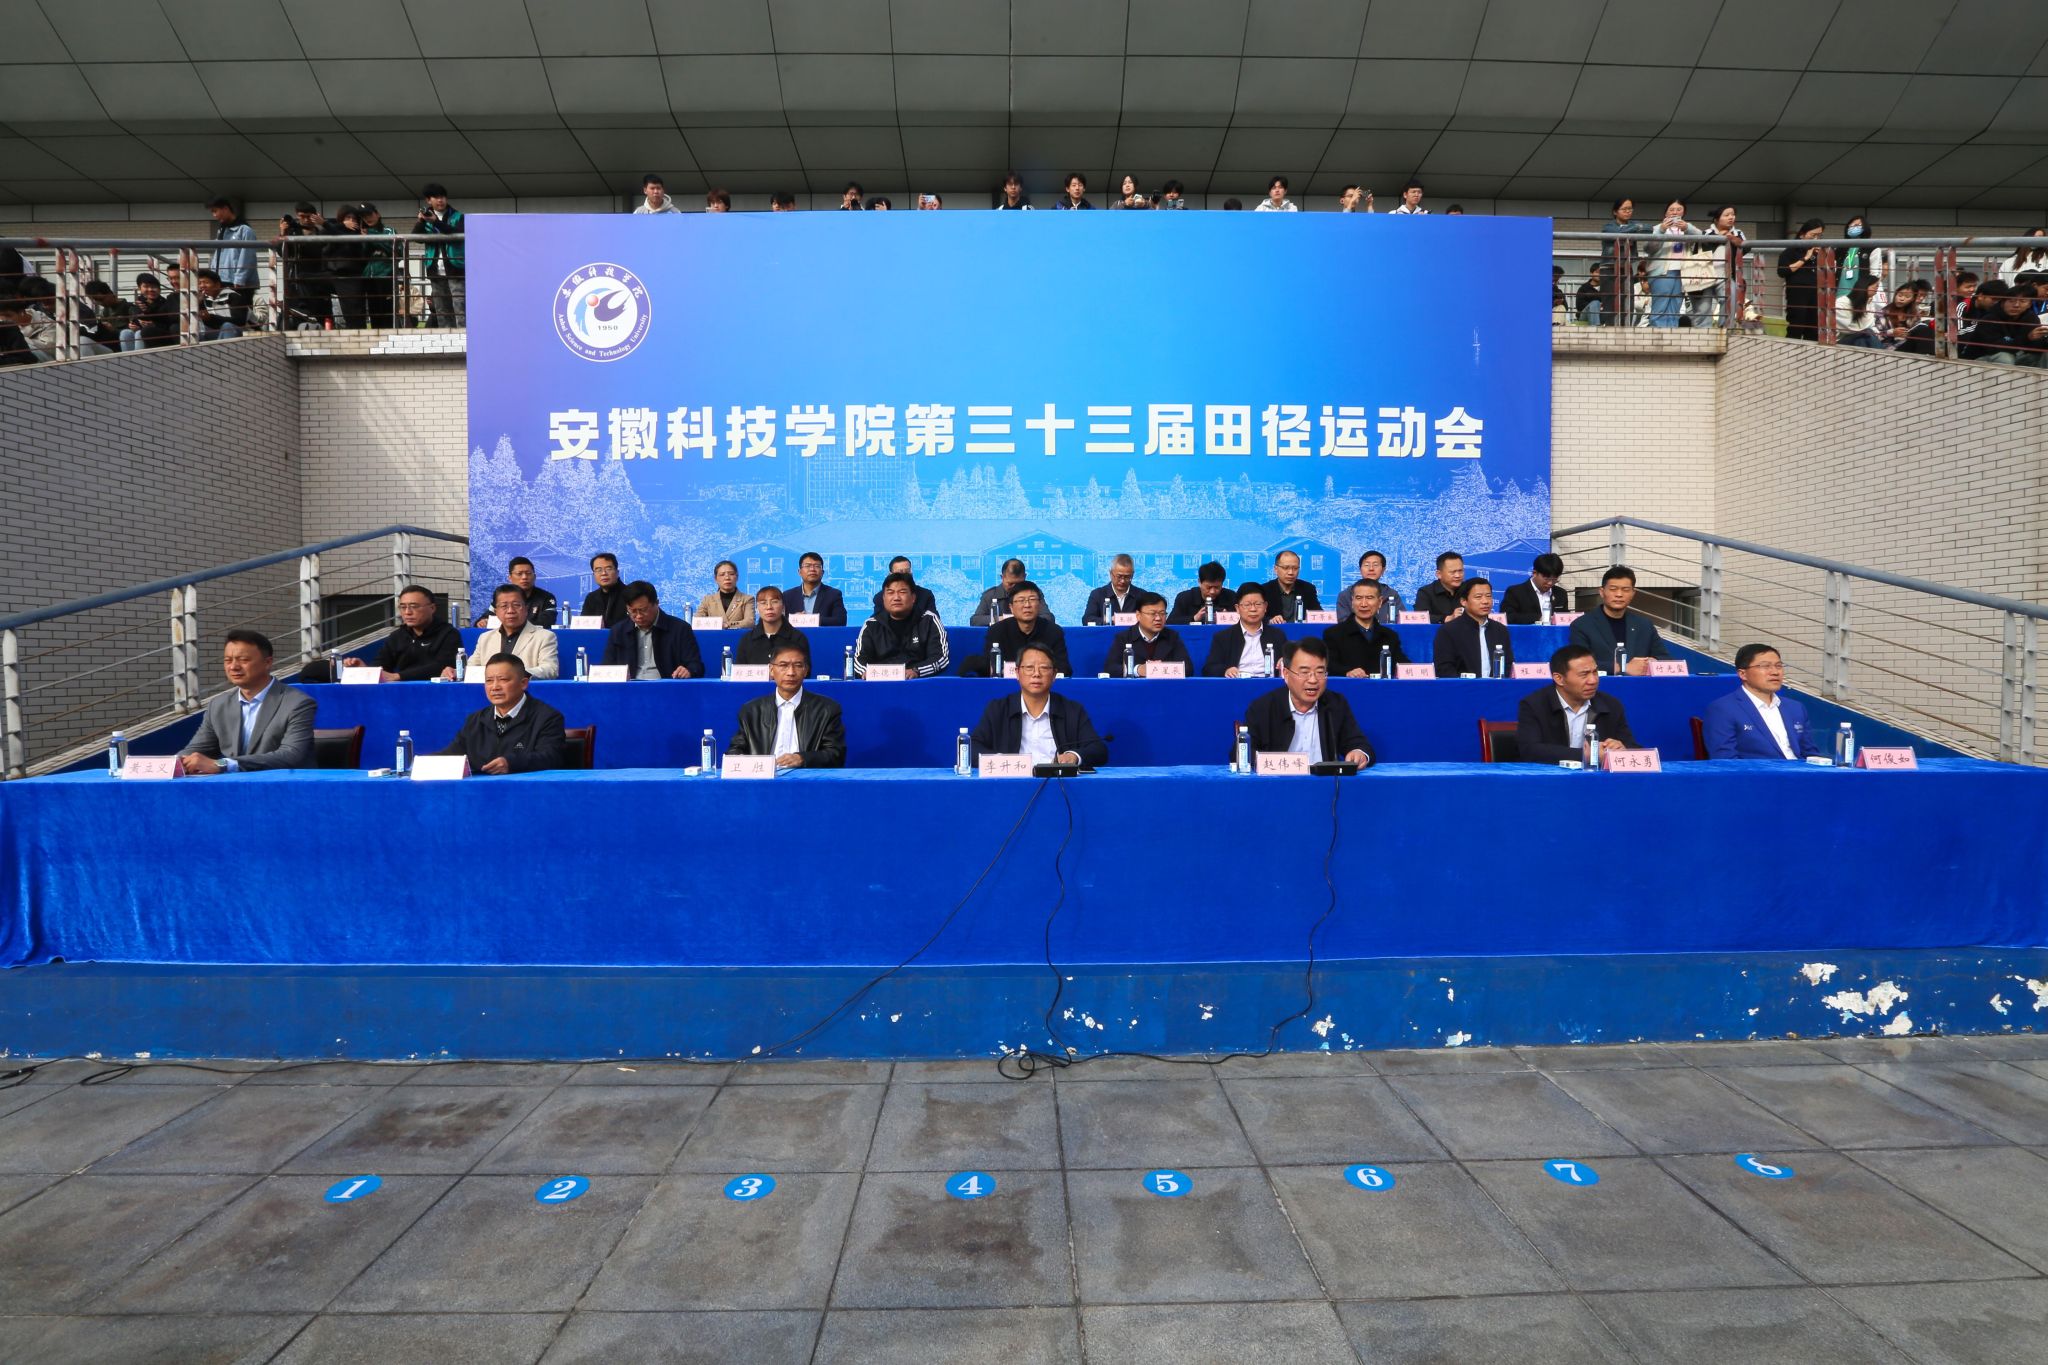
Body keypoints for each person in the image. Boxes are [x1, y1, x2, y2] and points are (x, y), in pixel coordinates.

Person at [177, 629, 316, 773]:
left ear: (268, 662)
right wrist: (174, 763)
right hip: (232, 784)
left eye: (243, 660)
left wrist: (223, 764)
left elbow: (291, 755)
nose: (233, 667)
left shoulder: (297, 703)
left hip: (283, 783)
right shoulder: (218, 705)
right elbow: (197, 749)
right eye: (228, 660)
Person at [969, 640, 1107, 766]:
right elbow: (973, 747)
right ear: (1017, 673)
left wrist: (1074, 756)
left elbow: (1098, 749)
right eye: (1029, 667)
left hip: (1057, 780)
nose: (1036, 674)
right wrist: (1002, 761)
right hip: (1014, 781)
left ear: (1054, 675)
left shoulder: (1072, 710)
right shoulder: (998, 709)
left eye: (1044, 668)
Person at [1241, 639, 1373, 767]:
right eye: (1304, 672)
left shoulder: (1335, 704)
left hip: (1324, 780)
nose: (1313, 680)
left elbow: (1358, 743)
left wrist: (1359, 752)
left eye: (1320, 672)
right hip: (1279, 779)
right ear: (1286, 674)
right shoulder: (1262, 708)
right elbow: (1243, 752)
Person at [434, 654, 565, 774]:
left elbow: (551, 757)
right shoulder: (474, 720)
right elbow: (452, 755)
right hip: (478, 790)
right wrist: (426, 763)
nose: (495, 687)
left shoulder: (547, 717)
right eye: (489, 680)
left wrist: (512, 764)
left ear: (523, 683)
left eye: (503, 679)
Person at [727, 642, 845, 768]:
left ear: (805, 671)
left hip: (805, 776)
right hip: (765, 776)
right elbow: (735, 751)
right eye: (783, 665)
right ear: (771, 670)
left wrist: (803, 759)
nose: (791, 672)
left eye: (798, 665)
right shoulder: (751, 711)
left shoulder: (826, 709)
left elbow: (835, 755)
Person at [1516, 645, 1636, 764]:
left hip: (1595, 775)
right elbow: (1530, 750)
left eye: (1595, 672)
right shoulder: (1534, 705)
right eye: (1584, 674)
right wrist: (1586, 755)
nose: (1593, 680)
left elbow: (1632, 747)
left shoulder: (1611, 705)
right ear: (1559, 679)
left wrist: (1621, 749)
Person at [1702, 643, 1824, 760]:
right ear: (1743, 674)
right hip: (1758, 773)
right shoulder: (1722, 709)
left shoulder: (1796, 708)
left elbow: (1810, 753)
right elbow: (1725, 760)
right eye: (1765, 666)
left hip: (1801, 771)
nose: (1775, 672)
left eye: (1778, 666)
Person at [343, 584, 461, 681]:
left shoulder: (448, 634)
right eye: (403, 607)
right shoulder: (397, 636)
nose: (407, 612)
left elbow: (443, 666)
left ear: (432, 608)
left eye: (414, 606)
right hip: (400, 692)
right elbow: (382, 664)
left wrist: (398, 676)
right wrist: (365, 670)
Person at [1568, 565, 1670, 674]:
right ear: (1602, 592)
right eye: (1613, 589)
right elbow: (1578, 663)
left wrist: (1651, 662)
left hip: (1639, 684)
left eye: (1625, 590)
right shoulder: (1582, 625)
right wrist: (1623, 668)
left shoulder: (1645, 625)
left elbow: (1665, 658)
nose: (1619, 594)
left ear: (1633, 593)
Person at [602, 581, 704, 679]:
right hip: (629, 687)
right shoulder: (618, 631)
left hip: (666, 686)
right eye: (632, 611)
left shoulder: (680, 629)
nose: (638, 616)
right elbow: (607, 667)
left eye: (643, 610)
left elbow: (696, 665)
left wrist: (688, 671)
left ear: (656, 603)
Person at [855, 572, 949, 678]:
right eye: (890, 592)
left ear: (913, 598)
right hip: (881, 682)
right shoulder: (871, 624)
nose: (896, 598)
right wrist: (866, 672)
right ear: (883, 598)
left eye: (902, 592)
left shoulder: (929, 620)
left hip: (917, 682)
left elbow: (941, 658)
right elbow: (859, 660)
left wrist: (917, 671)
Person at [471, 583, 560, 679]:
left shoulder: (545, 637)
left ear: (526, 609)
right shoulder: (485, 638)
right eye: (504, 606)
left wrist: (517, 673)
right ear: (496, 612)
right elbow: (471, 668)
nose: (510, 611)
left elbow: (551, 669)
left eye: (516, 605)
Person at [980, 581, 1070, 676]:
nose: (1027, 605)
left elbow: (1063, 668)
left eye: (1032, 599)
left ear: (1039, 605)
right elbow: (989, 667)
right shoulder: (997, 631)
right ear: (1011, 607)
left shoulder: (1054, 631)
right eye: (1021, 600)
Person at [1322, 581, 1408, 677]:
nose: (1363, 604)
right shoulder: (1333, 633)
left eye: (1369, 598)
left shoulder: (1390, 636)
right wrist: (1347, 672)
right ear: (1352, 601)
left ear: (1380, 602)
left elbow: (1402, 665)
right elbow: (1329, 664)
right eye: (1358, 598)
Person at [1201, 583, 1287, 677]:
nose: (1253, 609)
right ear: (1237, 608)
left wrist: (1285, 662)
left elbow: (1290, 663)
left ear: (1265, 607)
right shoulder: (1223, 637)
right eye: (1247, 605)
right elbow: (1209, 668)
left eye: (1258, 604)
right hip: (1237, 683)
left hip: (1269, 684)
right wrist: (1226, 670)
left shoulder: (1277, 635)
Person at [1433, 579, 1514, 677]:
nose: (1485, 601)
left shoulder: (1500, 630)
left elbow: (1508, 665)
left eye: (1488, 596)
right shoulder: (1448, 631)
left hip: (1496, 685)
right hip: (1462, 686)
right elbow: (1444, 669)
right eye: (1478, 597)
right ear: (1463, 601)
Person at [410, 183, 465, 328]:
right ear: (428, 200)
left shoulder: (458, 216)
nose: (440, 200)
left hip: (456, 268)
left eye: (443, 197)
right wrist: (421, 221)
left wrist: (436, 222)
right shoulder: (425, 219)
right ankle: (447, 338)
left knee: (460, 306)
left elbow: (457, 234)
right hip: (435, 269)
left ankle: (463, 337)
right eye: (436, 197)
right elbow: (415, 237)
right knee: (441, 309)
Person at [1683, 205, 1743, 328]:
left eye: (1733, 214)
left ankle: (1725, 329)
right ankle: (1703, 333)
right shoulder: (1707, 233)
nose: (1731, 217)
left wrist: (1731, 237)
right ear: (1716, 219)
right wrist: (1721, 238)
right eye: (1726, 215)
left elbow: (1745, 247)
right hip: (1704, 275)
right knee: (1703, 308)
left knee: (1730, 299)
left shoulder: (1738, 233)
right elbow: (1703, 247)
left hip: (1725, 275)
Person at [1107, 592, 1189, 676]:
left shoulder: (1173, 637)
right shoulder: (1124, 638)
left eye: (1162, 613)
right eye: (1152, 614)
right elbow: (1111, 668)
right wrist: (1137, 670)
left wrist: (1162, 668)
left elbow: (1187, 669)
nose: (1158, 618)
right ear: (1138, 615)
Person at [1777, 218, 1826, 342]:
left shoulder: (1819, 251)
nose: (1816, 239)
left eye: (1819, 236)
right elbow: (1782, 271)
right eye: (1813, 235)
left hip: (1815, 292)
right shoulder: (1792, 250)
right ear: (1802, 234)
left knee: (1813, 328)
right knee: (1797, 325)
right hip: (1797, 292)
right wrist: (1805, 258)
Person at [733, 586, 809, 667]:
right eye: (763, 603)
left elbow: (805, 669)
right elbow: (740, 671)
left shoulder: (797, 638)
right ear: (757, 608)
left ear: (783, 607)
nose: (769, 607)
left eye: (774, 602)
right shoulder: (747, 640)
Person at [475, 556, 558, 627]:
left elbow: (546, 623)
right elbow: (483, 619)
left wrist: (512, 626)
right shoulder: (502, 597)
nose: (524, 577)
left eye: (528, 573)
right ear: (510, 578)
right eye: (519, 574)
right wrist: (483, 622)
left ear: (534, 577)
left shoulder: (546, 598)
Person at [206, 198, 258, 291]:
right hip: (222, 280)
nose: (214, 215)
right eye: (212, 212)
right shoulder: (221, 230)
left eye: (215, 211)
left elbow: (247, 257)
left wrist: (239, 279)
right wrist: (213, 276)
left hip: (237, 283)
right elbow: (217, 256)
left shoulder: (245, 230)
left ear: (225, 209)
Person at [1500, 552, 1568, 624]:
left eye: (1554, 579)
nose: (1550, 583)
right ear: (1534, 573)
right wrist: (1539, 618)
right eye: (1546, 578)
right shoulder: (1515, 592)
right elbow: (1508, 617)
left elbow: (1564, 617)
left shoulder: (1561, 593)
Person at [784, 550, 847, 625]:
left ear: (822, 572)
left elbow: (841, 621)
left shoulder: (834, 594)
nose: (812, 569)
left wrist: (812, 620)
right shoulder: (787, 596)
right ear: (799, 572)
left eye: (817, 566)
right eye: (807, 566)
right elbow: (778, 622)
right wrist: (794, 620)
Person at [1338, 550, 1402, 621]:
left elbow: (1401, 621)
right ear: (1360, 569)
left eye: (1375, 565)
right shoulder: (1346, 595)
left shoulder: (1392, 594)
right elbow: (1343, 622)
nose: (1371, 569)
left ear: (1383, 570)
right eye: (1367, 565)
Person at [869, 556, 937, 621]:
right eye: (899, 573)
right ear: (890, 575)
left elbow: (933, 621)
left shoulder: (926, 595)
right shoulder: (880, 597)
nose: (904, 576)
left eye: (907, 572)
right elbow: (877, 622)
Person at [121, 273, 178, 350]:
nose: (151, 289)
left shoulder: (165, 303)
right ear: (139, 288)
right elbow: (135, 319)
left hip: (160, 336)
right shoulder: (139, 303)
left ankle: (140, 356)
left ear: (159, 289)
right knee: (125, 333)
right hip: (144, 332)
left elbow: (169, 324)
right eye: (146, 286)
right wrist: (133, 326)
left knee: (139, 333)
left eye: (154, 287)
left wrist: (154, 324)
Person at [1262, 550, 1321, 622]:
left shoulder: (1308, 589)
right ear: (1275, 569)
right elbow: (1257, 616)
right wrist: (1270, 620)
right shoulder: (1264, 590)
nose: (1291, 572)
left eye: (1295, 568)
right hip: (1274, 629)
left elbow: (1318, 614)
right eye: (1285, 568)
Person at [1168, 562, 1237, 624]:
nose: (1212, 591)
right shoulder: (1185, 598)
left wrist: (1230, 618)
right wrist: (1194, 618)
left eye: (1217, 587)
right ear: (1199, 582)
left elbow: (1241, 620)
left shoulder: (1231, 596)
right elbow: (1170, 622)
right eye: (1209, 587)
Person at [1083, 554, 1142, 624]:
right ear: (1111, 573)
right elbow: (1087, 620)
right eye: (1119, 576)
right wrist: (1109, 620)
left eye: (1127, 577)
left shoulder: (1142, 596)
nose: (1122, 581)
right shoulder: (1097, 594)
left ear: (1132, 575)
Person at [697, 560, 755, 629]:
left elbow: (749, 622)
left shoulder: (747, 599)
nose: (727, 578)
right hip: (714, 636)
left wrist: (726, 625)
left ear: (737, 577)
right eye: (722, 574)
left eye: (731, 574)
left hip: (739, 636)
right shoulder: (707, 600)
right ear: (715, 579)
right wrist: (719, 625)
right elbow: (697, 621)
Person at [192, 269, 248, 341]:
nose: (202, 286)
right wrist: (197, 303)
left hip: (238, 332)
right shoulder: (203, 299)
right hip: (215, 332)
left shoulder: (233, 296)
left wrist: (211, 317)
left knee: (227, 326)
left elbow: (239, 321)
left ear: (217, 285)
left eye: (206, 283)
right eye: (199, 283)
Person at [971, 558, 1026, 626]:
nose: (1014, 587)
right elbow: (975, 621)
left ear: (1024, 577)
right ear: (1002, 577)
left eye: (1018, 584)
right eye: (1010, 584)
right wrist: (1000, 619)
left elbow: (1040, 617)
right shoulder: (990, 596)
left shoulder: (1033, 595)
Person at [1413, 551, 1465, 623]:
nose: (1458, 575)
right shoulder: (1425, 592)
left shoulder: (1469, 590)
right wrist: (1447, 618)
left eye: (1460, 571)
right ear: (1439, 574)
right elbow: (1420, 617)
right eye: (1452, 572)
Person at [580, 552, 630, 626]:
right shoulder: (591, 598)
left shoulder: (630, 594)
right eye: (598, 570)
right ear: (594, 575)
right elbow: (583, 627)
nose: (603, 573)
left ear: (617, 572)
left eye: (608, 569)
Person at [1836, 272, 1884, 348]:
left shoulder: (1869, 304)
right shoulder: (1842, 302)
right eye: (1875, 287)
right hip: (1842, 340)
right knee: (1866, 333)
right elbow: (1847, 328)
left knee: (1861, 340)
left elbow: (1871, 325)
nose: (1876, 290)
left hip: (1860, 338)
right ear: (1865, 286)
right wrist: (1865, 331)